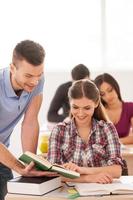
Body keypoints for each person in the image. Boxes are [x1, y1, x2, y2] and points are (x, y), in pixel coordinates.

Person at [0, 40, 55, 200]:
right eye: (29, 76)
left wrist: (30, 163)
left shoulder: (37, 81)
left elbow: (30, 122)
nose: (34, 81)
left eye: (39, 74)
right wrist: (19, 167)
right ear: (12, 68)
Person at [47, 79, 124, 183]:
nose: (80, 113)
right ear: (70, 103)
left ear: (96, 103)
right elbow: (52, 173)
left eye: (87, 108)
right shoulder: (59, 131)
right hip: (69, 194)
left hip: (102, 191)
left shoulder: (107, 129)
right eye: (75, 107)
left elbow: (116, 170)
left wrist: (82, 170)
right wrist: (88, 178)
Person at [94, 73, 133, 145]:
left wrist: (112, 142)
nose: (108, 96)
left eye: (110, 90)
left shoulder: (130, 108)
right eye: (103, 94)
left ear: (116, 87)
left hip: (125, 153)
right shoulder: (98, 112)